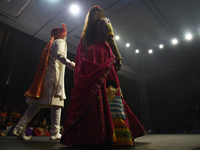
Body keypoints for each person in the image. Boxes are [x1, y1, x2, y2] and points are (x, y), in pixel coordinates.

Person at [61, 6, 145, 147]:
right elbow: (110, 38)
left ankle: (93, 132)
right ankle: (116, 132)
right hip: (104, 55)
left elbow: (83, 52)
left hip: (92, 58)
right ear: (101, 14)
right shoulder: (105, 21)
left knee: (93, 90)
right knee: (110, 88)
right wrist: (118, 57)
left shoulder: (86, 33)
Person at [12, 24, 75, 140]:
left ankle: (19, 128)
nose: (66, 37)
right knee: (57, 102)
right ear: (62, 35)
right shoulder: (60, 42)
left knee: (39, 103)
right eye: (65, 35)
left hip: (47, 77)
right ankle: (54, 132)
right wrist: (73, 65)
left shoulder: (52, 43)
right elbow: (60, 55)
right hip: (54, 78)